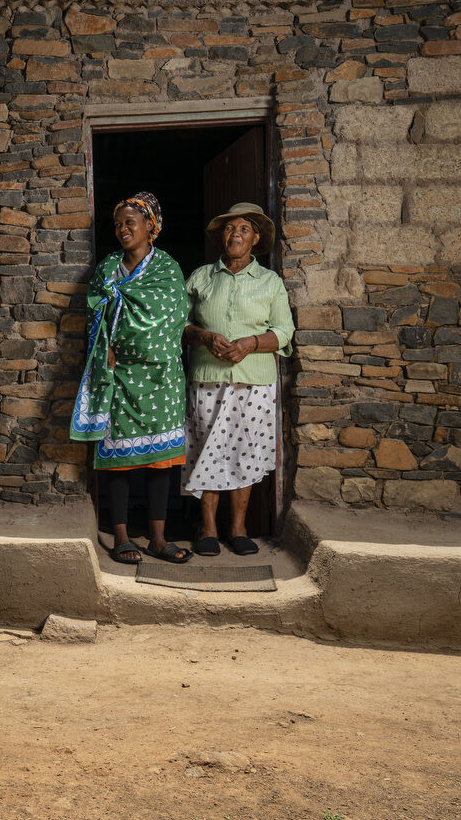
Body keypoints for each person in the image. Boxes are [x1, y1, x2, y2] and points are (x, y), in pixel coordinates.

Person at [71, 192, 192, 565]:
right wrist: (103, 345)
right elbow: (93, 315)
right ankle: (121, 536)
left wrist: (143, 348)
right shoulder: (108, 269)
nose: (123, 229)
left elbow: (173, 318)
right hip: (118, 374)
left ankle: (158, 538)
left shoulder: (167, 270)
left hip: (160, 376)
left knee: (159, 462)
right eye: (118, 224)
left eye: (130, 222)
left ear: (150, 227)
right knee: (118, 459)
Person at [181, 202, 294, 557]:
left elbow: (284, 332)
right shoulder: (201, 277)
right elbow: (178, 326)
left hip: (254, 382)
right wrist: (204, 337)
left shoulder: (270, 282)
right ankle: (208, 528)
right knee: (206, 448)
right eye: (230, 228)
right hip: (208, 379)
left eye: (244, 229)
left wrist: (251, 344)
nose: (235, 234)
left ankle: (238, 528)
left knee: (246, 451)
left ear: (255, 239)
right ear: (221, 236)